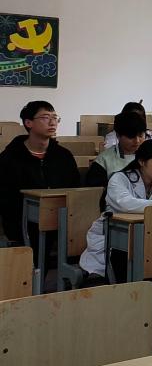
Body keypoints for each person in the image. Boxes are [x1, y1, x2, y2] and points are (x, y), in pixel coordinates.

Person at [80, 140, 152, 282]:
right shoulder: (120, 178)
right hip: (115, 235)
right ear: (141, 161)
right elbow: (125, 204)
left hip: (149, 235)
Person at [0, 101, 80, 253]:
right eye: (45, 117)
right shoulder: (10, 157)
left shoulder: (64, 156)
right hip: (22, 223)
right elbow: (6, 198)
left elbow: (75, 189)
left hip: (61, 221)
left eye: (55, 118)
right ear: (28, 123)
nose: (52, 122)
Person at [86, 110, 148, 187]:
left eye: (141, 136)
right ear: (118, 135)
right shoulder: (103, 161)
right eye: (131, 136)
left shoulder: (151, 156)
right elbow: (96, 191)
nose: (137, 141)